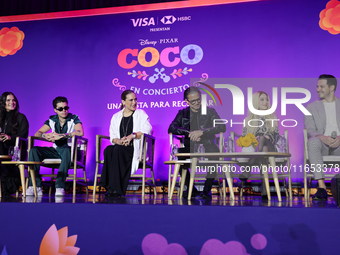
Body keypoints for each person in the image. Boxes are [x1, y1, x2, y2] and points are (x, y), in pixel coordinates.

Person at [168, 86, 226, 199]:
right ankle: (191, 189)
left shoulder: (210, 111)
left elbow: (222, 126)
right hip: (191, 146)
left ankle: (207, 189)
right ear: (187, 101)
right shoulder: (182, 113)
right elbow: (171, 128)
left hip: (207, 145)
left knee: (215, 154)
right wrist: (189, 133)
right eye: (193, 101)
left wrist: (202, 132)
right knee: (179, 156)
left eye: (198, 99)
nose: (197, 103)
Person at [99, 90, 152, 197]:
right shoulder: (116, 116)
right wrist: (118, 141)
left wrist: (132, 136)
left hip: (133, 148)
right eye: (131, 100)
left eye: (135, 99)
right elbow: (112, 135)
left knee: (117, 150)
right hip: (120, 147)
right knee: (108, 150)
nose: (134, 102)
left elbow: (148, 129)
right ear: (123, 102)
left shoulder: (141, 114)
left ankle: (117, 189)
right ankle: (109, 186)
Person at [28, 96, 84, 196]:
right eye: (61, 109)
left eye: (66, 108)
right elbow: (38, 133)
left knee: (67, 149)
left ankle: (59, 185)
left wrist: (62, 135)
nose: (64, 111)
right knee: (34, 150)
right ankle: (35, 185)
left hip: (72, 152)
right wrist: (45, 135)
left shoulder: (74, 118)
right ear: (55, 110)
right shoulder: (52, 120)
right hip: (57, 150)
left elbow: (80, 132)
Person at [304, 74, 340, 200]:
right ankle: (321, 187)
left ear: (332, 88)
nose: (318, 89)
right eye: (317, 86)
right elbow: (310, 130)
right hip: (322, 144)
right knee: (312, 141)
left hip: (339, 145)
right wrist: (321, 137)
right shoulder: (311, 107)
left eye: (321, 86)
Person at [239, 91, 279, 198]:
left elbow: (276, 137)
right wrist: (253, 140)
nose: (265, 102)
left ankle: (248, 169)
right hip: (258, 150)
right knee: (263, 149)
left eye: (267, 99)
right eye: (262, 99)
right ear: (255, 101)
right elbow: (244, 139)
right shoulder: (247, 120)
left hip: (272, 148)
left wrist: (267, 137)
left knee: (264, 141)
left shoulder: (273, 117)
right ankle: (265, 189)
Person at [0, 92, 29, 196]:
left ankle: (6, 175)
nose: (12, 102)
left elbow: (24, 134)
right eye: (8, 100)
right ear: (3, 103)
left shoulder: (21, 117)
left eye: (14, 100)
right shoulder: (0, 118)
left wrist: (9, 137)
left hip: (16, 150)